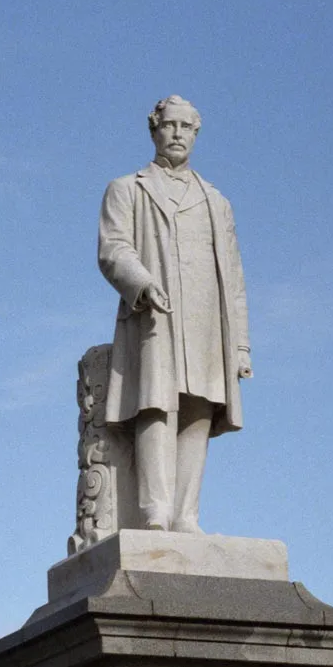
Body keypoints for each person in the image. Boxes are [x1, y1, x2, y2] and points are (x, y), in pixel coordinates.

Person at [97, 96, 251, 532]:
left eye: (187, 127)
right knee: (155, 405)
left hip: (205, 319)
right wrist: (141, 282)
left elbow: (234, 276)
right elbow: (113, 249)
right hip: (153, 315)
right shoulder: (127, 188)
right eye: (170, 125)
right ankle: (155, 510)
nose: (179, 134)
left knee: (200, 408)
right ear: (154, 129)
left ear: (196, 133)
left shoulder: (216, 201)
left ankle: (186, 515)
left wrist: (240, 344)